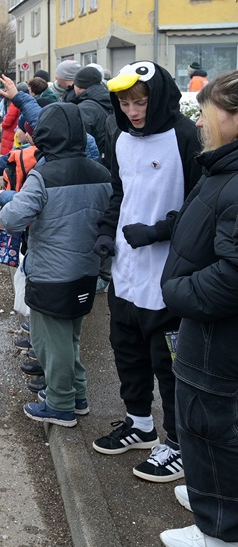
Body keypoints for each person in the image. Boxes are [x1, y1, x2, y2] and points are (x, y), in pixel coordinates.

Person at [92, 61, 204, 483]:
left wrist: (159, 230)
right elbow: (119, 192)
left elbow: (202, 205)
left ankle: (177, 443)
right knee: (126, 349)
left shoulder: (185, 137)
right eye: (125, 102)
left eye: (140, 101)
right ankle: (139, 423)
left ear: (158, 98)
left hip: (168, 274)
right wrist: (107, 233)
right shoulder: (120, 137)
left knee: (169, 362)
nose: (133, 111)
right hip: (125, 269)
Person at [158, 69, 238, 547]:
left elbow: (233, 276)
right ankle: (214, 501)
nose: (202, 120)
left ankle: (220, 533)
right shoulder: (224, 166)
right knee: (206, 432)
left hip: (217, 337)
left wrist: (179, 290)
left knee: (212, 430)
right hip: (208, 331)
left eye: (210, 110)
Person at [0, 102, 112, 427]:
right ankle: (76, 396)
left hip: (50, 273)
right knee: (69, 338)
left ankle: (60, 404)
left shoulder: (44, 174)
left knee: (51, 342)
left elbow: (13, 218)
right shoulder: (101, 172)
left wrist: (7, 198)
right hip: (87, 271)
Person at [71, 66, 114, 169]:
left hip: (95, 166)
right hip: (113, 163)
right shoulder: (113, 99)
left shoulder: (83, 109)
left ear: (79, 86)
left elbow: (80, 142)